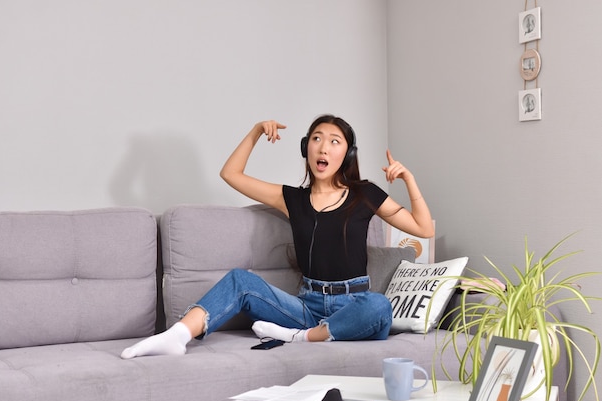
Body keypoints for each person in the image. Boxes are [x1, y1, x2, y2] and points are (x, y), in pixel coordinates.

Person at [121, 114, 434, 359]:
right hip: (306, 307)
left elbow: (424, 229)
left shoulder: (365, 194)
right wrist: (257, 131)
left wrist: (409, 178)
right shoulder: (292, 199)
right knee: (239, 281)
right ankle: (177, 337)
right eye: (316, 139)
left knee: (378, 306)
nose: (324, 147)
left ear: (347, 154)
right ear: (306, 148)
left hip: (353, 306)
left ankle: (301, 338)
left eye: (334, 141)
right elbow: (231, 174)